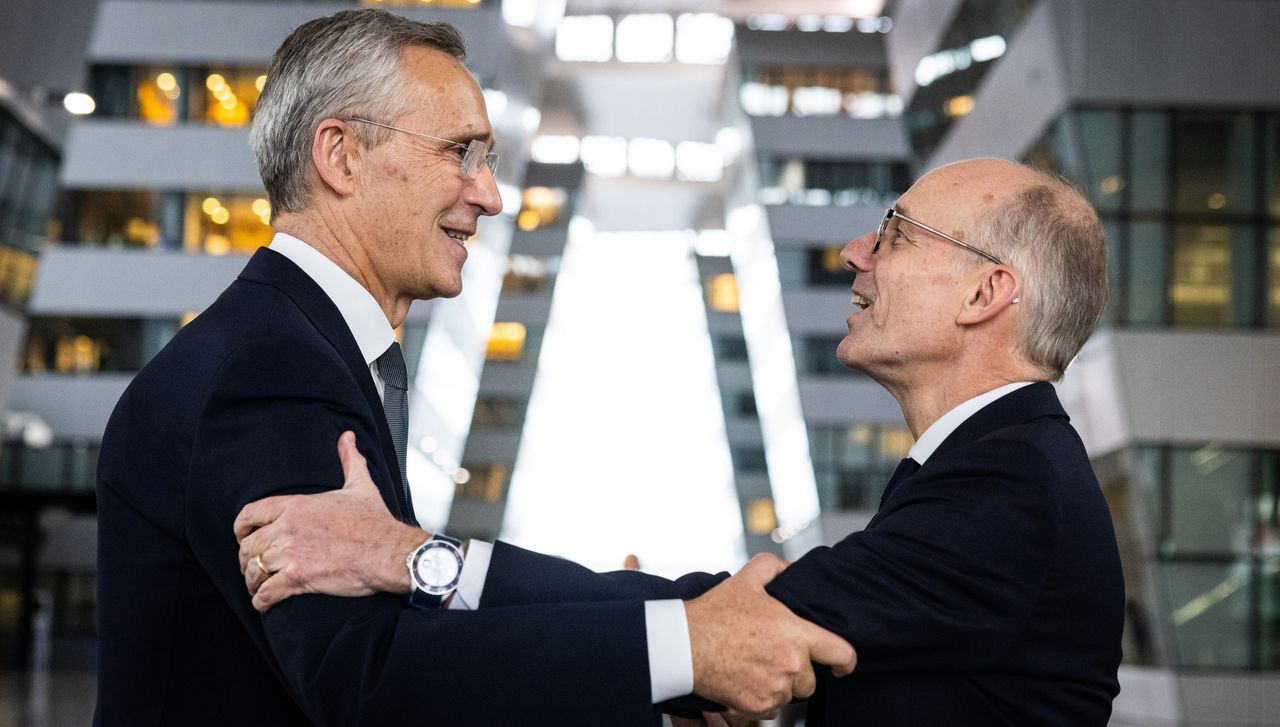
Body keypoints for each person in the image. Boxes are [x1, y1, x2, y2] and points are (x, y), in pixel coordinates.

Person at [93, 9, 853, 727]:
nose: (488, 194)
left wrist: (696, 623)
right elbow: (368, 676)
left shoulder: (294, 347)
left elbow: (415, 607)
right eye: (462, 152)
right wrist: (683, 646)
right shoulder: (268, 368)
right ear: (341, 154)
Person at [237, 156, 1126, 726]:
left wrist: (410, 557)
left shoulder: (1006, 491)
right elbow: (749, 637)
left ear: (986, 295)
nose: (857, 251)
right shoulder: (991, 469)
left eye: (896, 231)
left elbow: (735, 625)